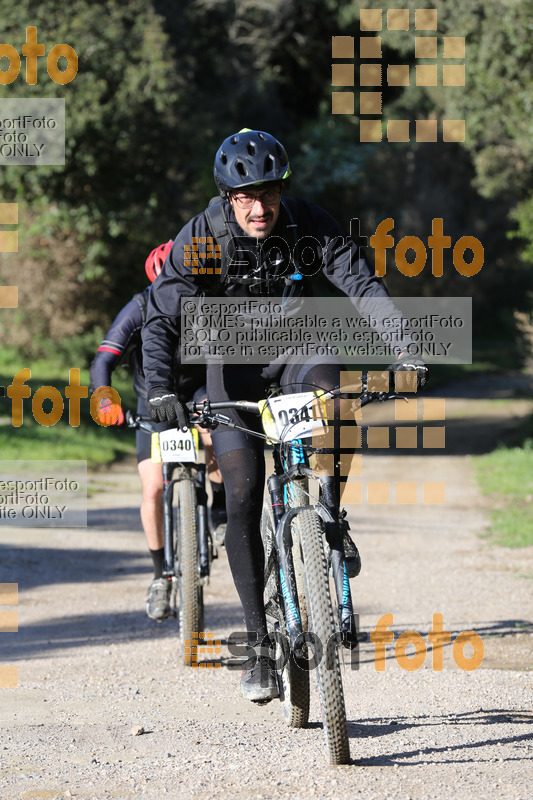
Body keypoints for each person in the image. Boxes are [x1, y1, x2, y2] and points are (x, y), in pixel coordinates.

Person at [141, 129, 427, 699]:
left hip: (298, 346)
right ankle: (260, 645)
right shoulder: (202, 236)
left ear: (282, 190)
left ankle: (330, 514)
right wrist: (158, 390)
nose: (259, 206)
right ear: (227, 198)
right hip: (231, 363)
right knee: (242, 494)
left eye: (268, 192)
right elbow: (162, 316)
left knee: (337, 399)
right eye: (245, 196)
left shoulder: (309, 224)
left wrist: (405, 348)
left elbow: (362, 285)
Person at [90, 241, 227, 622]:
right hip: (153, 401)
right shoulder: (139, 307)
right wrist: (104, 401)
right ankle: (160, 575)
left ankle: (221, 511)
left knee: (216, 436)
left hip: (201, 392)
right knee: (151, 487)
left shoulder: (207, 300)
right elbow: (104, 360)